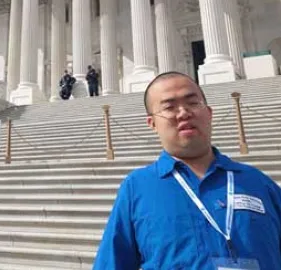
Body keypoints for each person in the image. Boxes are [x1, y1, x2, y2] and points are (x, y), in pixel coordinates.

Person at [92, 71, 281, 270]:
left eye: (192, 103)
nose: (183, 113)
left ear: (209, 113)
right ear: (152, 123)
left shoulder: (258, 183)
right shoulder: (137, 188)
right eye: (169, 107)